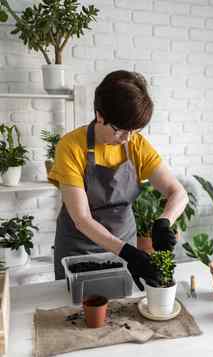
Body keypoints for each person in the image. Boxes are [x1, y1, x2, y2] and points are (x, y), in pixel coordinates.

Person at [48, 70, 189, 290]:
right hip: (79, 250)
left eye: (134, 130)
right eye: (120, 130)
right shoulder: (71, 147)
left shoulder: (136, 145)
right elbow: (82, 219)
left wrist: (165, 220)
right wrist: (127, 252)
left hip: (125, 245)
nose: (127, 138)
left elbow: (178, 193)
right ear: (100, 115)